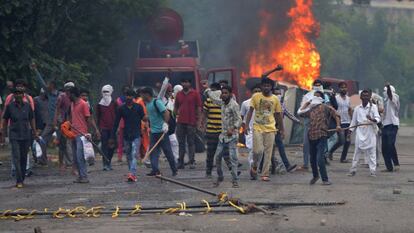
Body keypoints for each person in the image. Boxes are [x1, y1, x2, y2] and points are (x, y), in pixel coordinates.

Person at [245, 78, 284, 181]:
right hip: (257, 126)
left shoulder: (275, 99)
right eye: (264, 85)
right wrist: (246, 125)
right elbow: (250, 111)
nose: (266, 87)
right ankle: (254, 165)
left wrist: (282, 129)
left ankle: (264, 174)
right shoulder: (256, 96)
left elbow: (278, 114)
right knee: (258, 150)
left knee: (268, 152)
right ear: (261, 86)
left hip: (271, 128)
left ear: (271, 87)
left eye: (268, 86)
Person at [298, 91, 340, 185]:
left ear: (322, 99)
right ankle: (315, 176)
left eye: (318, 96)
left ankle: (325, 179)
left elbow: (336, 115)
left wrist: (338, 126)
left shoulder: (326, 107)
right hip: (311, 136)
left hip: (322, 135)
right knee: (312, 159)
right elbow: (300, 112)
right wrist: (307, 103)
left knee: (319, 158)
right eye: (314, 96)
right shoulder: (310, 109)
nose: (315, 98)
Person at [205, 85, 242, 188]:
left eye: (226, 93)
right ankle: (220, 177)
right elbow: (213, 98)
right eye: (223, 93)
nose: (224, 95)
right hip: (222, 137)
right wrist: (207, 89)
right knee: (217, 157)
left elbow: (239, 120)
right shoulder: (222, 103)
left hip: (232, 137)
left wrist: (233, 128)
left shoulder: (234, 105)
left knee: (233, 158)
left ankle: (235, 181)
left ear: (230, 94)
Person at [1, 89, 37, 188]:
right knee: (16, 157)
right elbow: (5, 121)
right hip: (14, 135)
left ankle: (22, 178)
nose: (18, 95)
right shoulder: (10, 107)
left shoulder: (27, 106)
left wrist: (34, 132)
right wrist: (3, 134)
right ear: (14, 95)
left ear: (23, 95)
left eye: (20, 93)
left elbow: (31, 119)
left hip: (26, 135)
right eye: (16, 93)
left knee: (24, 157)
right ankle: (19, 180)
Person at [141, 87, 177, 176]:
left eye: (142, 94)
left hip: (162, 132)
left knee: (167, 152)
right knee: (153, 152)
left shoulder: (156, 102)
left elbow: (166, 113)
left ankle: (174, 170)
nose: (141, 96)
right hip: (153, 132)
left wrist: (165, 124)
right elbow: (152, 116)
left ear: (147, 94)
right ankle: (155, 170)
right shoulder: (147, 104)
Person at [112, 89, 146, 182]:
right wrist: (112, 136)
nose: (129, 97)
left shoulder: (138, 107)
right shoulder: (121, 108)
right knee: (128, 155)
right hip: (126, 134)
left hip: (136, 134)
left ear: (133, 97)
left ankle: (132, 173)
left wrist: (149, 117)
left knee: (134, 153)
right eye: (127, 95)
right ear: (125, 96)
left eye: (130, 96)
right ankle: (131, 171)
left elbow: (144, 118)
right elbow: (116, 122)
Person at [69, 86, 100, 183]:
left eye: (68, 94)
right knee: (75, 156)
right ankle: (80, 176)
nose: (67, 96)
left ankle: (84, 176)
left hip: (82, 134)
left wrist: (89, 132)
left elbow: (89, 119)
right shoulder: (72, 104)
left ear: (72, 94)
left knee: (80, 156)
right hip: (73, 133)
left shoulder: (83, 104)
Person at [348, 90, 381, 177]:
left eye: (367, 96)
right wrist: (349, 132)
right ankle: (353, 169)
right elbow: (353, 122)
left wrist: (372, 119)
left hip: (370, 131)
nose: (365, 97)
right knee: (357, 152)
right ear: (361, 97)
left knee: (372, 152)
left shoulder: (373, 107)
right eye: (364, 96)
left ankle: (373, 171)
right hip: (360, 131)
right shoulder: (357, 108)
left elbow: (378, 118)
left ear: (369, 97)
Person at [32, 65, 60, 165]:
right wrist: (36, 70)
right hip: (50, 122)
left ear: (52, 85)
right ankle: (43, 159)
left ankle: (66, 162)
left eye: (49, 84)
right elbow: (41, 82)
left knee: (64, 142)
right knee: (42, 139)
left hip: (60, 122)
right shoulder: (49, 94)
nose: (46, 85)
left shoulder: (60, 95)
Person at [174, 78, 202, 169]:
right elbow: (175, 107)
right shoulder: (179, 94)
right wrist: (175, 117)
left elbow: (198, 108)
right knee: (181, 143)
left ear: (190, 83)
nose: (185, 84)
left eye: (186, 82)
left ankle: (192, 161)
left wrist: (199, 122)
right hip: (180, 122)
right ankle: (180, 162)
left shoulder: (195, 94)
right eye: (183, 82)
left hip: (191, 122)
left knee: (191, 142)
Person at [297, 79, 324, 171]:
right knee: (306, 144)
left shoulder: (325, 96)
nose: (317, 85)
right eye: (316, 84)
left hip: (320, 122)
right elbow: (301, 110)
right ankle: (306, 164)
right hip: (308, 121)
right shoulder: (307, 96)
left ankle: (318, 164)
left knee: (318, 144)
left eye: (319, 84)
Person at [270, 87, 299, 173]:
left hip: (278, 129)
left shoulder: (281, 105)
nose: (278, 95)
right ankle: (267, 166)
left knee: (280, 148)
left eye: (279, 94)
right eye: (276, 94)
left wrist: (297, 121)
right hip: (269, 129)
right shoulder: (268, 103)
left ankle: (286, 165)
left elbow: (288, 114)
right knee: (269, 149)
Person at [327, 82, 353, 163]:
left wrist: (352, 120)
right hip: (339, 122)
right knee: (341, 140)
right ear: (339, 89)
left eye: (345, 87)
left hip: (347, 122)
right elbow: (332, 109)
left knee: (348, 141)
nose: (344, 89)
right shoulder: (336, 98)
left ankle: (343, 158)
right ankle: (330, 151)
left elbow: (349, 110)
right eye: (342, 87)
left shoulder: (349, 99)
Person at [54, 82, 75, 172]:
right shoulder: (61, 97)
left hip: (72, 122)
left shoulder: (74, 97)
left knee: (72, 143)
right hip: (62, 122)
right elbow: (57, 109)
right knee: (62, 143)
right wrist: (55, 122)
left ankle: (71, 163)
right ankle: (61, 163)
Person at [96, 85, 118, 171]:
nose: (105, 94)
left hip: (113, 128)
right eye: (104, 92)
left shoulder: (114, 103)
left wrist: (117, 127)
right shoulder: (99, 104)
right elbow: (98, 117)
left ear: (111, 92)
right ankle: (105, 163)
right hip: (103, 128)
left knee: (111, 145)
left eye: (107, 92)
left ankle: (109, 161)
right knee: (104, 146)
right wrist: (98, 129)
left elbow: (117, 115)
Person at [241, 84, 261, 170]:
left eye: (258, 91)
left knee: (260, 151)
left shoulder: (265, 103)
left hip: (261, 130)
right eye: (255, 91)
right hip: (250, 130)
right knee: (252, 149)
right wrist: (244, 127)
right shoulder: (245, 103)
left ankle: (256, 166)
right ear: (251, 93)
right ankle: (252, 167)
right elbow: (241, 117)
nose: (256, 93)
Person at [381, 84, 400, 172]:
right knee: (384, 147)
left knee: (390, 144)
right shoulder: (384, 101)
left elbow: (390, 95)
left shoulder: (394, 98)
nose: (384, 93)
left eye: (385, 91)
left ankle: (396, 163)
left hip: (393, 125)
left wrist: (388, 87)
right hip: (385, 125)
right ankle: (389, 167)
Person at [116, 85, 130, 162]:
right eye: (125, 90)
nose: (126, 92)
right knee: (121, 140)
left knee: (127, 140)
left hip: (127, 122)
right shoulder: (119, 100)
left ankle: (123, 156)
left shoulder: (119, 100)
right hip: (122, 122)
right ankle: (120, 156)